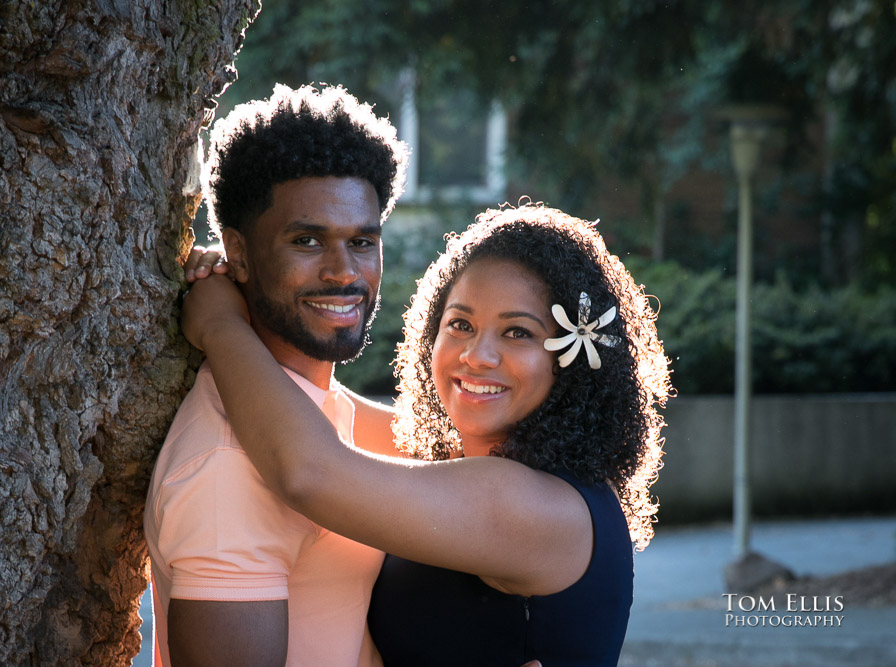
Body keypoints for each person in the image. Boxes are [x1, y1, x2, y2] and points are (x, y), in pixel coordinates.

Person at [181, 202, 672, 666]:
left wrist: (222, 326)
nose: (476, 356)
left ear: (571, 360)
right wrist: (255, 280)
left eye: (517, 332)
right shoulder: (477, 468)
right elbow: (322, 407)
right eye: (459, 324)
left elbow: (309, 471)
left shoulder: (536, 508)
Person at [143, 83, 408, 667]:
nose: (344, 273)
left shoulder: (309, 401)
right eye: (307, 241)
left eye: (362, 241)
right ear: (236, 252)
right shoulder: (225, 468)